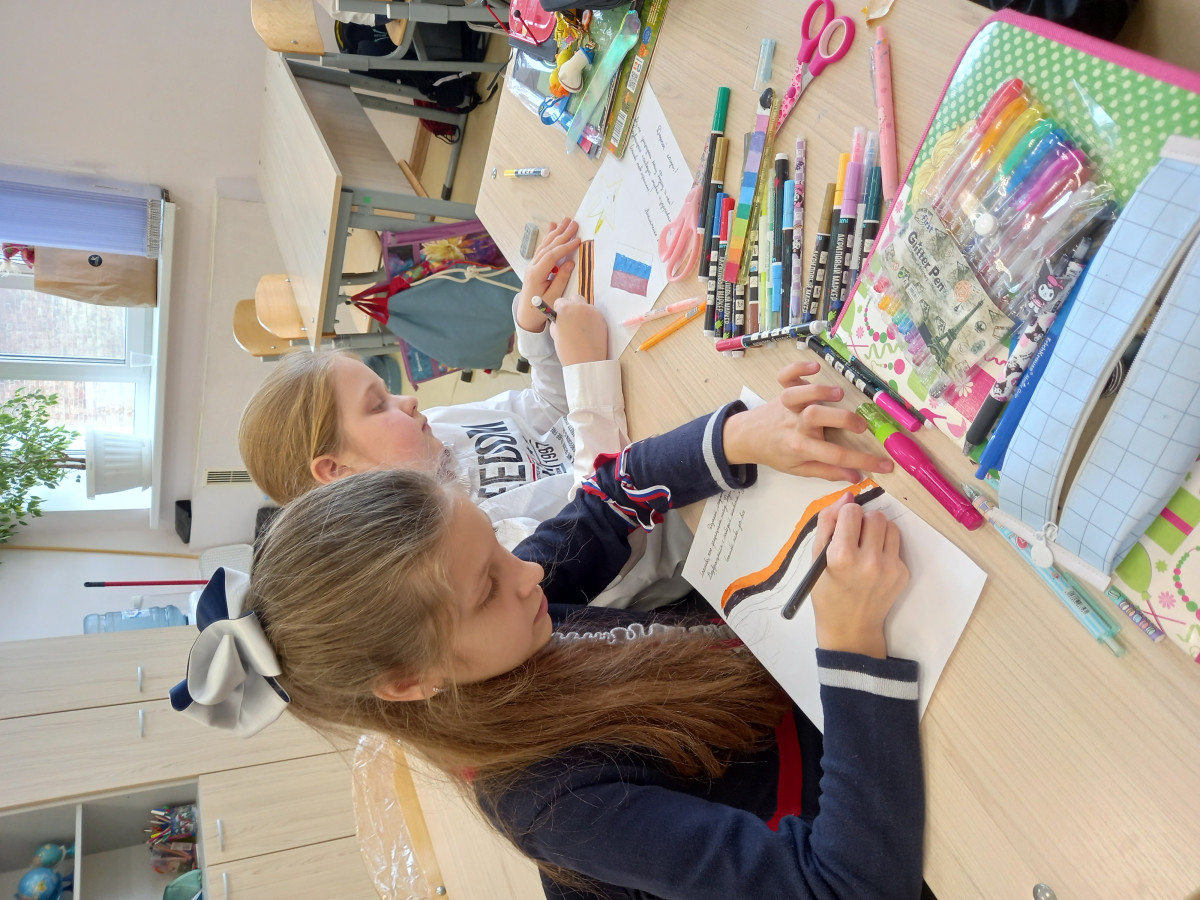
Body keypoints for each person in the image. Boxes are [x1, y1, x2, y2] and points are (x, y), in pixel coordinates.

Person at [174, 366, 922, 900]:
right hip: (883, 809)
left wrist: (738, 437)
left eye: (497, 550)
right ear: (410, 681)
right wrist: (852, 645)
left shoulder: (501, 625)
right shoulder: (553, 802)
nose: (530, 573)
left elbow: (606, 499)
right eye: (488, 586)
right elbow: (848, 884)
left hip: (811, 702)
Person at [239, 218, 692, 609]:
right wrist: (586, 372)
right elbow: (609, 531)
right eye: (378, 406)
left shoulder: (430, 433)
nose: (408, 401)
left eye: (388, 392)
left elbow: (546, 409)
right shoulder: (452, 549)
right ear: (337, 470)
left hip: (636, 421)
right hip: (684, 511)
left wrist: (531, 325)